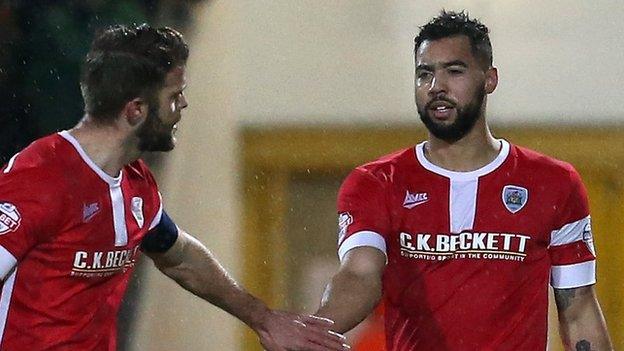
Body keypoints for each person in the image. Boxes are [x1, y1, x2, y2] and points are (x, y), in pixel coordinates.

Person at [0, 24, 349, 351]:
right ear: (136, 110)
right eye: (174, 95)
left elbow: (180, 257)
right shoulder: (40, 179)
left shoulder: (136, 183)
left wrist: (263, 318)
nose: (182, 105)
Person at [315, 10, 613, 351]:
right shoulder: (377, 182)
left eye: (454, 71)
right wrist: (313, 330)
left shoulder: (554, 183)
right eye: (424, 74)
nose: (436, 86)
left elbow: (577, 309)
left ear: (489, 79)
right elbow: (359, 275)